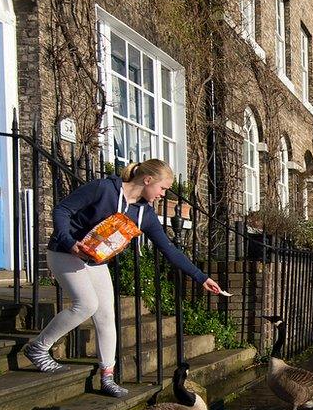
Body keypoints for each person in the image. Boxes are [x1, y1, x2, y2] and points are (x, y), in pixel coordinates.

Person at [22, 159, 222, 397]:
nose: (163, 194)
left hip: (96, 261)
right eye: (163, 188)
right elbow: (62, 210)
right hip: (65, 252)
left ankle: (107, 377)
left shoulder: (145, 215)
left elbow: (170, 250)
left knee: (107, 315)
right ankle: (38, 348)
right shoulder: (103, 189)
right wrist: (69, 241)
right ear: (147, 180)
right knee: (86, 304)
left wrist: (201, 277)